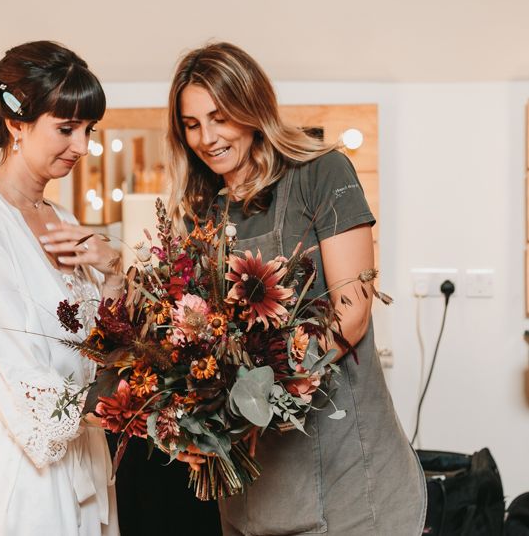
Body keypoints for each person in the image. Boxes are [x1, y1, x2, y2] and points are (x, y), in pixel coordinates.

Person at [165, 42, 427, 535]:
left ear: (252, 107)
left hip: (351, 477)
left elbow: (352, 314)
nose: (207, 137)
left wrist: (247, 399)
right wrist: (199, 422)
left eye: (220, 117)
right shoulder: (202, 210)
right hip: (256, 493)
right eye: (192, 123)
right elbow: (198, 339)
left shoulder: (321, 173)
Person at [0, 41, 123, 535]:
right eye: (66, 129)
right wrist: (132, 408)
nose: (83, 146)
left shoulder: (60, 218)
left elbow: (97, 343)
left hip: (86, 460)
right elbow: (21, 379)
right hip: (28, 477)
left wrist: (113, 269)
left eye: (88, 130)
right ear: (17, 124)